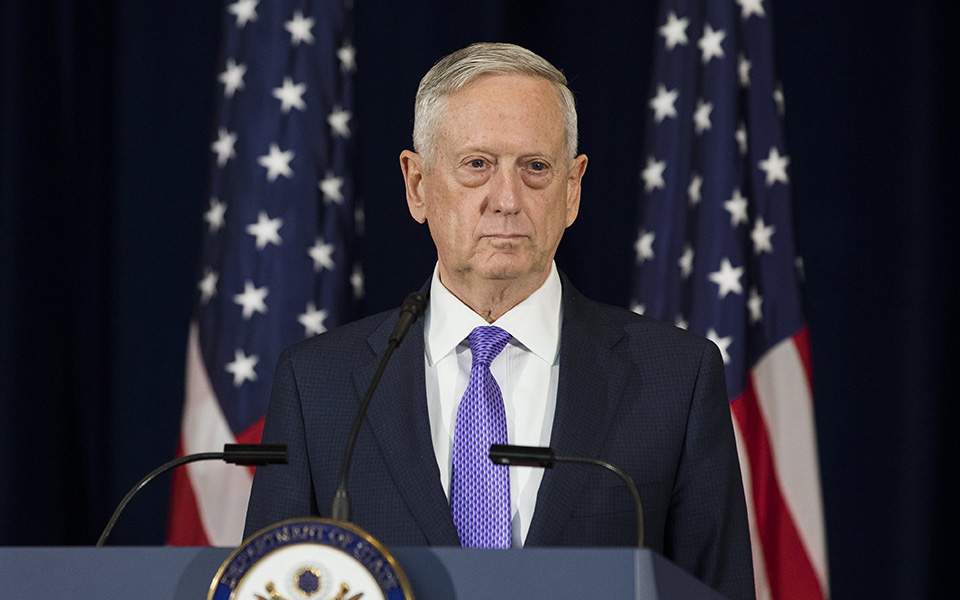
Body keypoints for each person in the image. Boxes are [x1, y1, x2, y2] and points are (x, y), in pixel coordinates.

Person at [245, 42, 754, 599]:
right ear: (417, 185)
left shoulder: (675, 379)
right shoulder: (317, 384)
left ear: (572, 189)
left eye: (535, 167)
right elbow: (267, 587)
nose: (507, 200)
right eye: (477, 165)